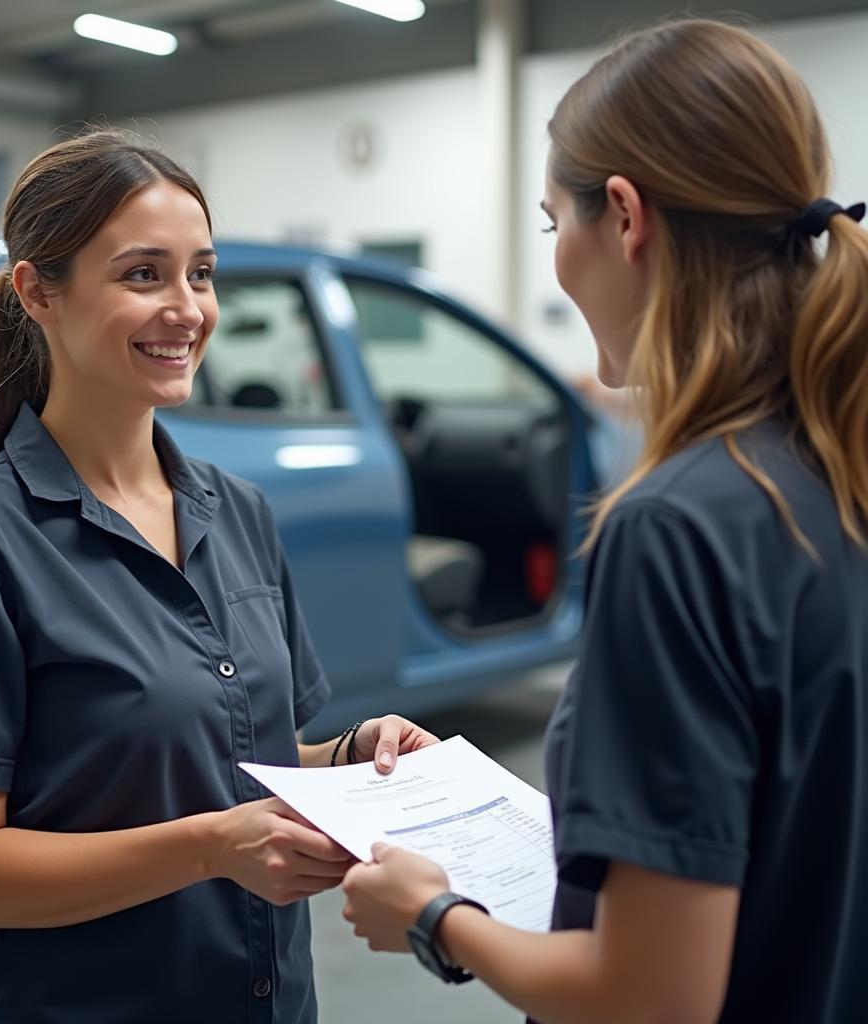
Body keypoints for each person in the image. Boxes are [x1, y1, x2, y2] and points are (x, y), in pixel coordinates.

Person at [341, 18, 868, 1024]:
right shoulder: (833, 467)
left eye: (552, 225)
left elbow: (647, 998)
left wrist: (434, 912)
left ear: (624, 216)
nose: (558, 259)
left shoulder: (679, 528)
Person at [0, 129, 437, 1024]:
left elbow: (235, 762)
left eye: (202, 274)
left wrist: (352, 756)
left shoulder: (239, 512)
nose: (188, 309)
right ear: (37, 292)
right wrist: (213, 847)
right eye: (144, 275)